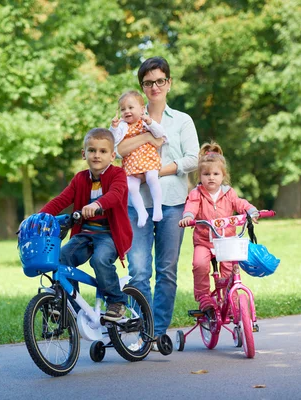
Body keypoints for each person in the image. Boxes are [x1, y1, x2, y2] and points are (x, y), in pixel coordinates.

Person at [117, 56, 199, 342]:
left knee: (166, 270)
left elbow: (193, 158)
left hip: (173, 202)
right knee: (139, 271)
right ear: (142, 87)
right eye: (148, 82)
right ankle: (143, 330)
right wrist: (149, 139)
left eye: (159, 81)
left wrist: (158, 169)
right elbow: (118, 149)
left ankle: (157, 332)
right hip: (137, 202)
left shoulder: (182, 121)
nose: (155, 87)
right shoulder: (129, 115)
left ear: (169, 83)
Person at [40, 128, 133, 321]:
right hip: (85, 234)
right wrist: (39, 218)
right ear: (84, 154)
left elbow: (115, 195)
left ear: (112, 155)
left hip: (109, 234)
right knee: (63, 256)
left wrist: (97, 204)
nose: (96, 155)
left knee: (99, 260)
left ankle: (117, 301)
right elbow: (60, 200)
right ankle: (71, 307)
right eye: (92, 150)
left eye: (102, 151)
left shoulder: (118, 175)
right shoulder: (80, 179)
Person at [178, 142, 259, 311]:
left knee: (230, 269)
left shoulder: (229, 193)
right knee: (199, 264)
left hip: (227, 241)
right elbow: (191, 206)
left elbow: (239, 203)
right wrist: (188, 216)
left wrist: (251, 210)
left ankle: (232, 301)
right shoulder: (196, 194)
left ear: (223, 176)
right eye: (206, 174)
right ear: (200, 176)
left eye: (216, 174)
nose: (211, 177)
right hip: (204, 242)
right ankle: (204, 297)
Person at [110, 90, 168, 228]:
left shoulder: (145, 121)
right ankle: (142, 212)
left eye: (131, 108)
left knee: (152, 178)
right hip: (131, 162)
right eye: (123, 109)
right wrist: (113, 127)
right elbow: (114, 141)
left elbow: (160, 134)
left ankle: (157, 208)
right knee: (130, 187)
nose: (127, 111)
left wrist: (150, 122)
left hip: (148, 158)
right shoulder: (122, 126)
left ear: (142, 109)